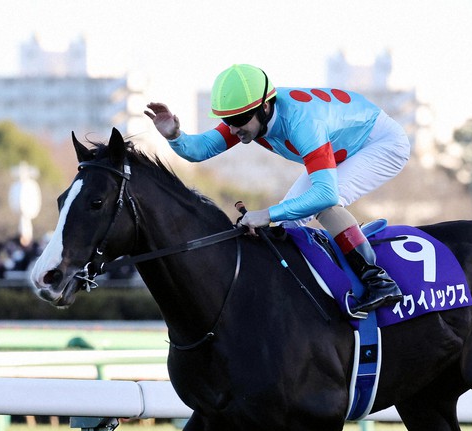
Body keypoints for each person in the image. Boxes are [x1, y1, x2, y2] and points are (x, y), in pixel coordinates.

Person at [145, 63, 410, 314]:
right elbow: (201, 149)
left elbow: (325, 194)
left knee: (323, 205)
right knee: (289, 227)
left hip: (381, 143)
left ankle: (379, 282)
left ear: (265, 107)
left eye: (239, 119)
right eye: (228, 120)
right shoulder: (248, 117)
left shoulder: (301, 123)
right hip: (345, 145)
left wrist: (266, 214)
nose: (234, 128)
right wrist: (174, 136)